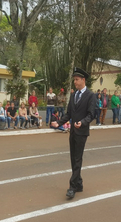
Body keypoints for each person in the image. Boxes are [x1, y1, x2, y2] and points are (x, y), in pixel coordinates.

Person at [51, 67, 95, 199]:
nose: (75, 82)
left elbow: (91, 114)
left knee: (77, 158)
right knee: (73, 158)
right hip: (73, 132)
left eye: (76, 79)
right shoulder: (74, 95)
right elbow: (69, 113)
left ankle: (72, 187)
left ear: (83, 80)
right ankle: (79, 183)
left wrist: (83, 122)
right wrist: (58, 123)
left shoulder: (90, 95)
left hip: (82, 132)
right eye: (74, 80)